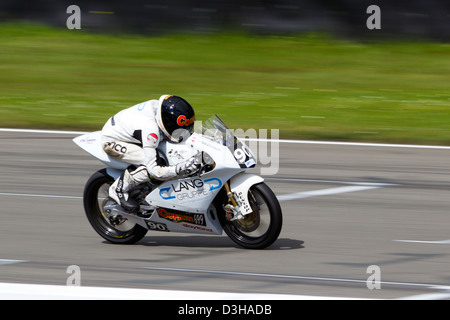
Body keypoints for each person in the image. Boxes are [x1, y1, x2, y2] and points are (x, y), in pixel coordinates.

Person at [101, 94, 200, 212]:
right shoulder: (151, 131)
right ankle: (118, 189)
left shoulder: (163, 110)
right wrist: (179, 169)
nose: (184, 133)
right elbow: (155, 170)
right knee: (158, 163)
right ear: (167, 124)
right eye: (178, 129)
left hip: (128, 129)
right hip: (112, 141)